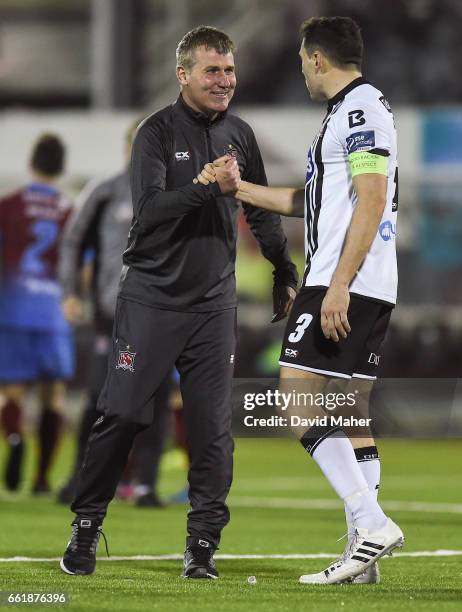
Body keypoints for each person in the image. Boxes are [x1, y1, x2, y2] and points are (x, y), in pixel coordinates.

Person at [59, 26, 298, 578]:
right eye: (213, 71)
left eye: (230, 70)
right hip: (150, 301)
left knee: (212, 430)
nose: (225, 81)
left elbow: (258, 208)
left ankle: (202, 545)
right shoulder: (156, 133)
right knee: (120, 414)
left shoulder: (241, 133)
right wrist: (206, 187)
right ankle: (87, 526)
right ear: (183, 73)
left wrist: (282, 268)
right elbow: (149, 213)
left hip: (214, 307)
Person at [196, 16, 403, 585]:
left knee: (295, 393)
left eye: (301, 62)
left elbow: (371, 198)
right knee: (349, 409)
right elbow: (306, 201)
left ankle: (370, 521)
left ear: (316, 60)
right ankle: (365, 550)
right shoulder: (347, 114)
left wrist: (337, 284)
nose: (302, 72)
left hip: (346, 279)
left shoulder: (360, 110)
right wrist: (236, 188)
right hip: (365, 279)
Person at [57, 123, 171, 508]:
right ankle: (80, 478)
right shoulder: (105, 191)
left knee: (157, 397)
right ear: (130, 147)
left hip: (162, 312)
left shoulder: (176, 192)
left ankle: (145, 485)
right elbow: (73, 240)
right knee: (99, 398)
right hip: (114, 312)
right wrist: (70, 291)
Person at [0, 134, 73, 494]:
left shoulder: (9, 205)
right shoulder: (67, 210)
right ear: (61, 168)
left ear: (32, 162)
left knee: (11, 391)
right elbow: (80, 264)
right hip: (53, 312)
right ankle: (42, 478)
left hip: (12, 308)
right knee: (53, 394)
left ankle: (14, 438)